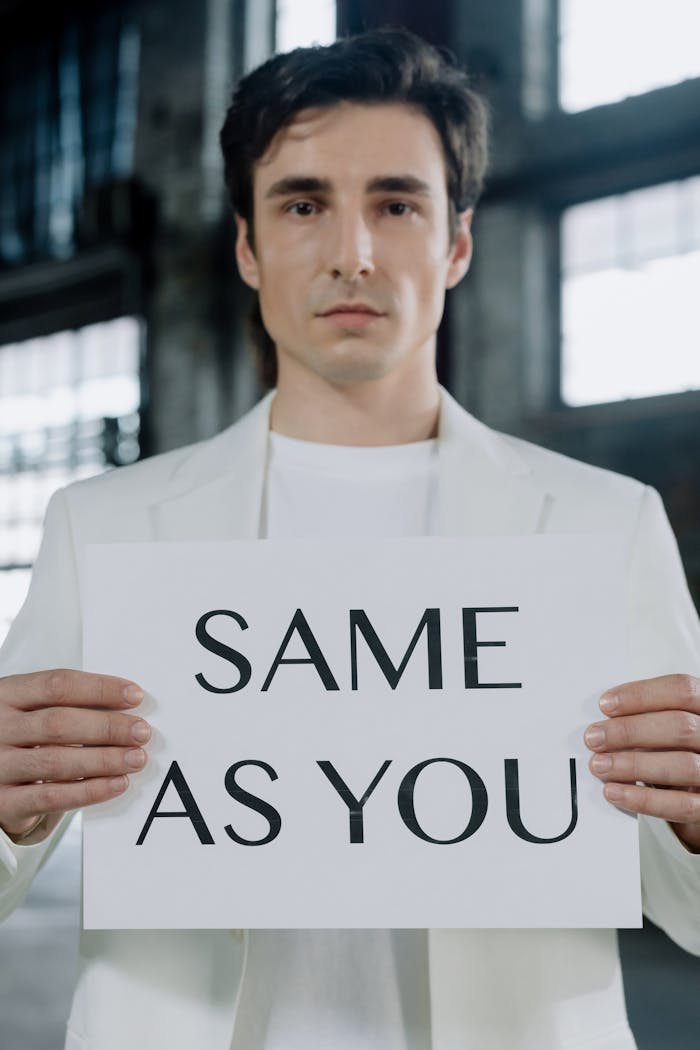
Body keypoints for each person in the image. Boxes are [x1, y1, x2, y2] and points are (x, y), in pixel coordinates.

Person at [1, 27, 699, 1050]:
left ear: (457, 244)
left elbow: (684, 900)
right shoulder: (100, 528)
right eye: (303, 204)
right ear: (247, 247)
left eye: (396, 203)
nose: (352, 254)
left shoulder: (604, 523)